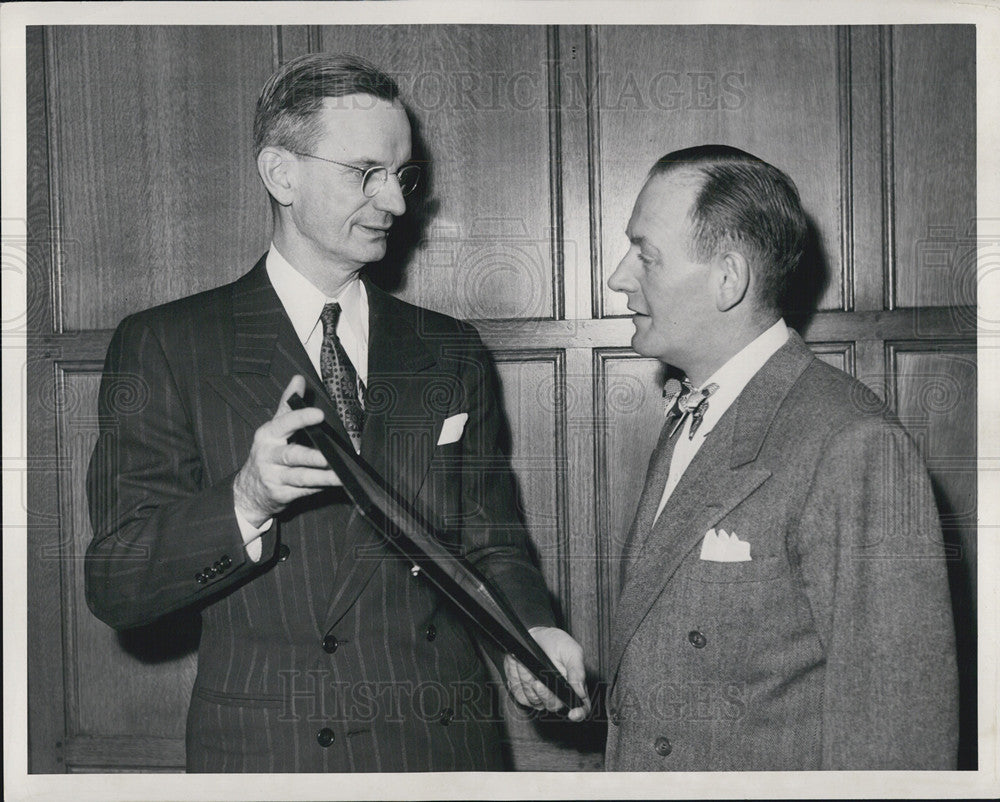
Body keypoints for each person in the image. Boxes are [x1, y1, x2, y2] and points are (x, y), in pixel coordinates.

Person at [85, 53, 586, 773]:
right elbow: (118, 583)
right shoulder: (168, 345)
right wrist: (245, 499)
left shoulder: (451, 350)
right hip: (272, 752)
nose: (397, 202)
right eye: (366, 174)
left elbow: (492, 538)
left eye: (402, 175)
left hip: (442, 744)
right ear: (281, 174)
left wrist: (530, 634)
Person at [604, 144, 958, 770]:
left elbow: (898, 738)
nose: (620, 277)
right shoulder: (696, 407)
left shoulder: (853, 443)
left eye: (646, 255)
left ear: (729, 277)